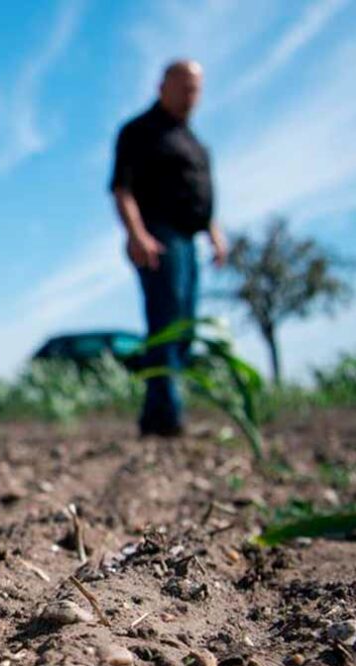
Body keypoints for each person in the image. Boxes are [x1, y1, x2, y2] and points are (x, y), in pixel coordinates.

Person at [110, 59, 227, 437]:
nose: (192, 95)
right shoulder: (140, 132)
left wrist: (213, 231)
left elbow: (197, 195)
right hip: (159, 236)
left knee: (186, 329)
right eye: (186, 87)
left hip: (189, 238)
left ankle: (156, 417)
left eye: (197, 88)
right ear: (164, 86)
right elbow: (122, 188)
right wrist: (137, 234)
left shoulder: (193, 141)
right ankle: (170, 419)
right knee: (167, 324)